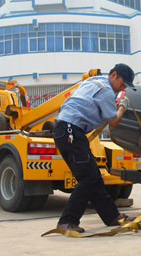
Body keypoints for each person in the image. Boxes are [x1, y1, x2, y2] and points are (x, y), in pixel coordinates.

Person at [53, 63, 135, 233]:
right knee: (88, 179)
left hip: (67, 130)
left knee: (94, 178)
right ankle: (67, 221)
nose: (123, 87)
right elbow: (113, 121)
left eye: (126, 86)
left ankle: (112, 217)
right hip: (71, 131)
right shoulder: (105, 91)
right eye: (122, 83)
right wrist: (122, 106)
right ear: (113, 75)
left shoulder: (94, 81)